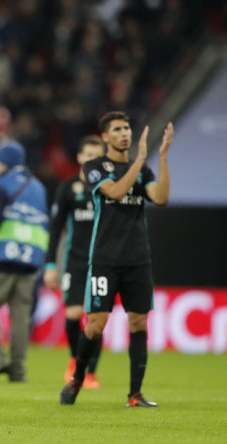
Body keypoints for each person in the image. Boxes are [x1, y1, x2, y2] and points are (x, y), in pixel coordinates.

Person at [60, 111, 174, 407]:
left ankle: (135, 394)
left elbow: (160, 198)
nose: (125, 133)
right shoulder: (95, 167)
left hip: (137, 259)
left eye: (127, 128)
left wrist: (161, 157)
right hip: (105, 259)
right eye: (118, 129)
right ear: (106, 137)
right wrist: (138, 161)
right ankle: (77, 379)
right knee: (95, 324)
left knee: (139, 323)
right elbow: (116, 190)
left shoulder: (144, 170)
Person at [0, 141, 48, 383]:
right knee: (21, 314)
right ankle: (18, 368)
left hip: (2, 256)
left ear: (7, 162)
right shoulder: (39, 187)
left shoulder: (1, 185)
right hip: (31, 258)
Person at [44, 136, 105, 388]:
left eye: (97, 156)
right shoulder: (68, 188)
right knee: (73, 313)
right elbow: (56, 229)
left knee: (96, 318)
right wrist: (50, 265)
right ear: (80, 157)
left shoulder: (109, 189)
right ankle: (73, 359)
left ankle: (89, 372)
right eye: (88, 155)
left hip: (103, 263)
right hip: (75, 261)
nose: (92, 160)